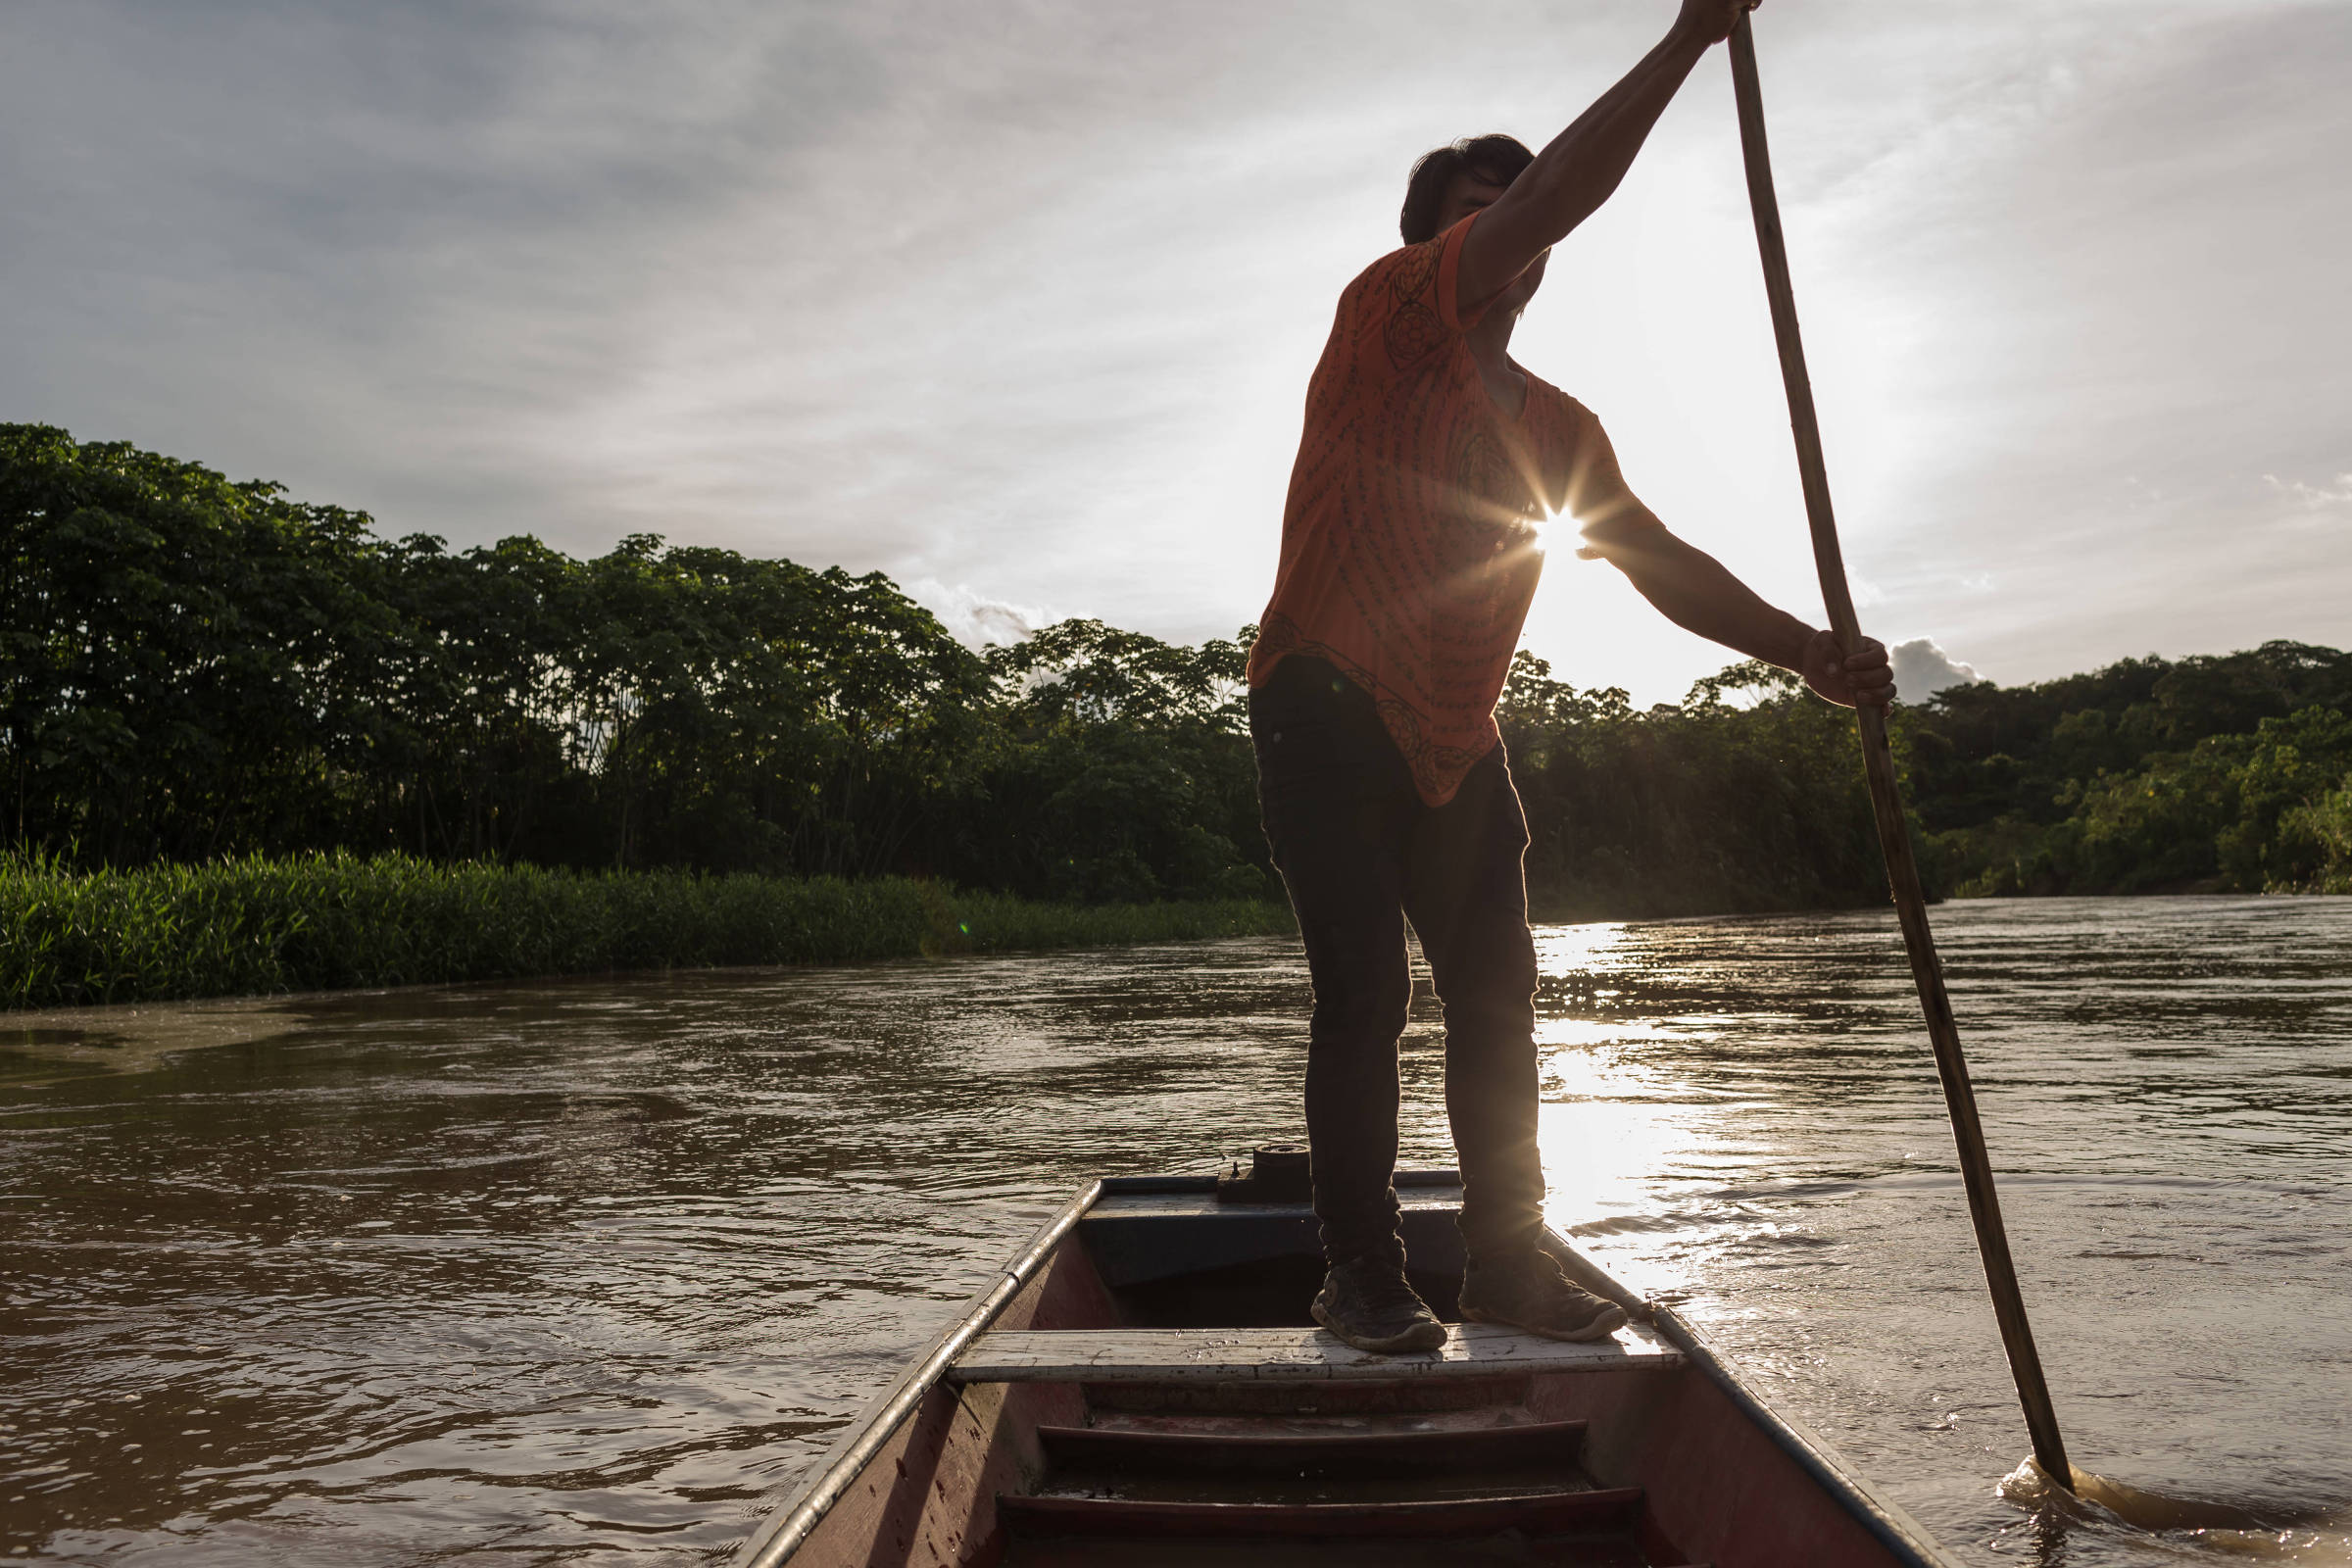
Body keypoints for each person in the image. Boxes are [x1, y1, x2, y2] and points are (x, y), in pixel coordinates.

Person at [1247, 0, 1896, 1354]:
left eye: (1513, 216)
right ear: (1437, 238)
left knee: (1499, 996)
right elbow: (1554, 196)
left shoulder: (1558, 425)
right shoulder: (1387, 311)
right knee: (1367, 994)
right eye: (1484, 217)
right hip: (1325, 692)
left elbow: (1658, 560)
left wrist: (1806, 654)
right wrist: (1687, 41)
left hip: (1457, 736)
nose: (1516, 240)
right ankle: (1358, 1271)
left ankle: (1510, 1264)